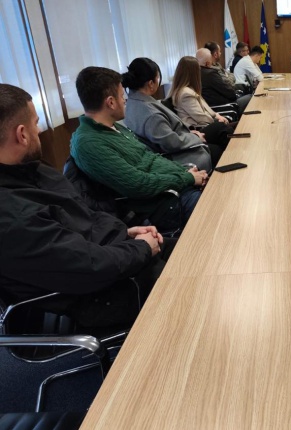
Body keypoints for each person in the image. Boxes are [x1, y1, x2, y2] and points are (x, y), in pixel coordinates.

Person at [0, 83, 174, 329]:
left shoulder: (31, 170)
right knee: (195, 287)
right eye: (36, 123)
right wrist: (141, 249)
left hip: (111, 259)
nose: (38, 130)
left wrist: (126, 233)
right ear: (22, 134)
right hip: (95, 296)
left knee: (192, 250)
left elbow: (83, 218)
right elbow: (87, 267)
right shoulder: (12, 216)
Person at [71, 66, 208, 229]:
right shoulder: (89, 143)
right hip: (162, 205)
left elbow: (150, 157)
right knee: (221, 210)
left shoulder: (113, 127)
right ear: (111, 102)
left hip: (173, 188)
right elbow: (138, 184)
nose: (125, 100)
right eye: (122, 96)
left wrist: (185, 173)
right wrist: (187, 179)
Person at [122, 57, 213, 172]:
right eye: (157, 78)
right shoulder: (151, 114)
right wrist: (194, 137)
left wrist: (190, 134)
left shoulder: (132, 103)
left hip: (172, 148)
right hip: (176, 157)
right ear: (151, 84)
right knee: (217, 150)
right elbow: (171, 143)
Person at [170, 56, 234, 166]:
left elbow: (206, 109)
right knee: (222, 128)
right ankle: (234, 158)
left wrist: (217, 115)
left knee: (231, 126)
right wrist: (216, 120)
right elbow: (202, 118)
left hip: (202, 126)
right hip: (198, 129)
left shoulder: (190, 89)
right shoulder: (185, 93)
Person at [196, 48, 251, 113]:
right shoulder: (210, 74)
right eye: (211, 61)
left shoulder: (196, 73)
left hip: (212, 107)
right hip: (224, 107)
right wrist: (235, 95)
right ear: (207, 63)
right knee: (250, 97)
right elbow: (229, 92)